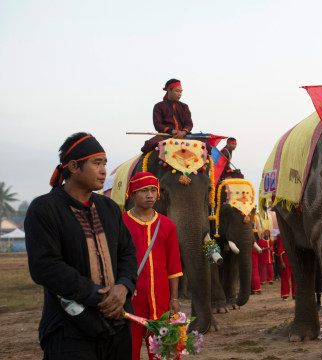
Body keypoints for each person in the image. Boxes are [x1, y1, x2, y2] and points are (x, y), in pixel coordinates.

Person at [25, 132, 138, 359]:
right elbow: (45, 266)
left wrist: (123, 287)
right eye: (97, 163)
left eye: (105, 163)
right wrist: (98, 295)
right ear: (74, 167)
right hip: (69, 331)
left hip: (117, 324)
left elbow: (127, 252)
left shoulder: (109, 208)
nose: (104, 170)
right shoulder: (45, 209)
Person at [122, 172, 183, 360]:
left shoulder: (167, 225)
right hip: (129, 304)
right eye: (143, 191)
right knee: (127, 353)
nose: (150, 195)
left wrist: (174, 298)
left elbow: (173, 266)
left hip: (161, 302)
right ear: (132, 195)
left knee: (164, 355)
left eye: (153, 190)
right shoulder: (121, 223)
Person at [141, 79, 196, 153]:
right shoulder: (159, 106)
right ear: (169, 90)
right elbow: (158, 124)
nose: (179, 94)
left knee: (206, 145)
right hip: (166, 135)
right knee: (149, 145)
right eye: (177, 91)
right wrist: (171, 131)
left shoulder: (184, 106)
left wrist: (183, 132)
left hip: (184, 135)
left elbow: (189, 123)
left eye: (181, 91)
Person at [275, 234, 296, 301]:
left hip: (294, 259)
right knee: (285, 277)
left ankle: (295, 294)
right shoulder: (281, 236)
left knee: (295, 278)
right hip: (285, 259)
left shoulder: (294, 234)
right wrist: (282, 261)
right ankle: (285, 294)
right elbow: (280, 249)